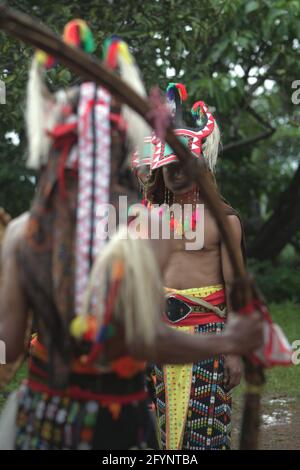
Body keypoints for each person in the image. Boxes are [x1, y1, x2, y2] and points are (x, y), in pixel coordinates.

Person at [0, 35, 262, 450]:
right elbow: (145, 339)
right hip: (119, 414)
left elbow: (9, 344)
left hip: (46, 415)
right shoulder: (143, 227)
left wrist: (223, 343)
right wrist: (229, 342)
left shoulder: (24, 235)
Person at [145, 92, 246, 450]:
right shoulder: (151, 219)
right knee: (166, 436)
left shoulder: (224, 220)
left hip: (210, 335)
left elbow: (235, 287)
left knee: (206, 436)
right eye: (169, 168)